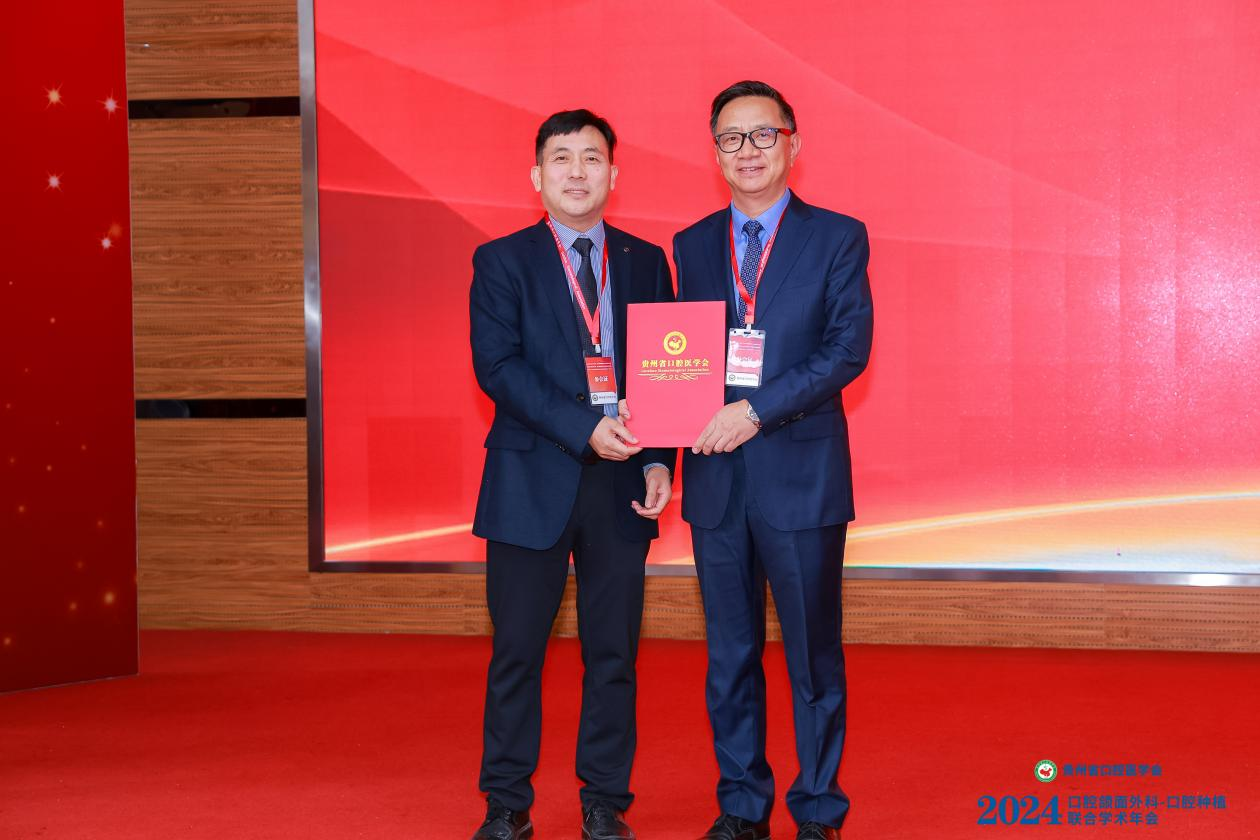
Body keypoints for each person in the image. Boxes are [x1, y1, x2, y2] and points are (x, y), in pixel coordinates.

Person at [673, 81, 874, 840]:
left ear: (793, 143)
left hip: (800, 478)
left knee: (813, 657)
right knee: (729, 657)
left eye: (763, 135)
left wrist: (754, 411)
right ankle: (741, 806)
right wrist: (657, 427)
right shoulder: (692, 244)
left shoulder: (838, 237)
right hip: (716, 480)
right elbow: (678, 357)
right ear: (715, 151)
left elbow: (846, 349)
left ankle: (818, 808)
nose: (747, 151)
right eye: (731, 138)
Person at [468, 109, 676, 840]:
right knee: (516, 654)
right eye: (562, 158)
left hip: (621, 482)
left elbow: (667, 367)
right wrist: (582, 425)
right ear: (537, 176)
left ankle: (605, 802)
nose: (578, 171)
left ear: (613, 174)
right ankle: (506, 805)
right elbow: (498, 368)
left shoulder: (647, 260)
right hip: (531, 479)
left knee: (613, 654)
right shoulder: (501, 261)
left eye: (592, 157)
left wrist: (659, 456)